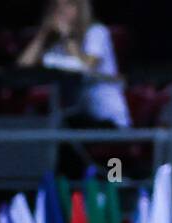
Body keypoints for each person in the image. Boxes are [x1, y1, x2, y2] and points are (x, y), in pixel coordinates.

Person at [17, 0, 131, 130]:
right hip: (70, 117)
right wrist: (43, 34)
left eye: (68, 5)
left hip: (105, 118)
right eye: (57, 6)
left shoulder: (96, 32)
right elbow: (22, 67)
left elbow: (86, 67)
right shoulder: (54, 39)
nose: (61, 11)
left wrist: (67, 37)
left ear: (81, 9)